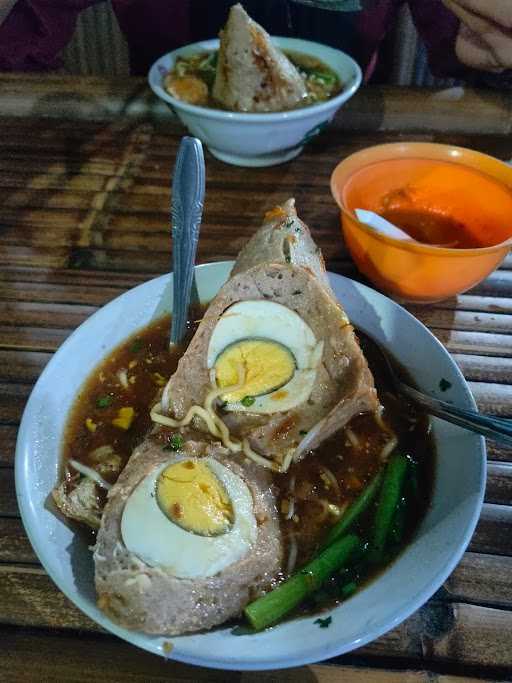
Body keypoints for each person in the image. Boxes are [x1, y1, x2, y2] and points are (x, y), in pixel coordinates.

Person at [0, 0, 511, 86]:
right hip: (162, 155)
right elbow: (20, 46)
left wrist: (499, 62)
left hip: (343, 162)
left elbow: (465, 51)